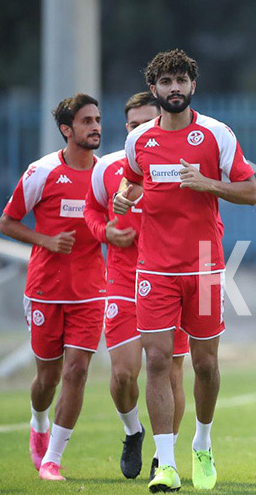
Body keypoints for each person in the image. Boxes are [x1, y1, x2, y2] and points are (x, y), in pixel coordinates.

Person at [113, 49, 256, 492]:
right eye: (166, 81)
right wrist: (124, 198)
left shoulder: (217, 134)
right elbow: (132, 180)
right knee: (157, 360)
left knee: (206, 365)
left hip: (204, 266)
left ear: (192, 86)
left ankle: (202, 443)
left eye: (181, 80)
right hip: (154, 267)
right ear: (154, 89)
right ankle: (167, 464)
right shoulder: (139, 140)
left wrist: (207, 184)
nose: (174, 88)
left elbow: (251, 192)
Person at [0, 94, 106, 482]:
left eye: (97, 119)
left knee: (77, 371)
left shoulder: (106, 173)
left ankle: (53, 459)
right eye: (86, 121)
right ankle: (38, 421)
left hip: (91, 290)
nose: (95, 126)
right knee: (48, 377)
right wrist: (45, 240)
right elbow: (7, 222)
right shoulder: (41, 172)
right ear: (66, 129)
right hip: (45, 289)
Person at [84, 92, 189, 480]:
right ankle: (133, 431)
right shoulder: (108, 168)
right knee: (125, 371)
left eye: (148, 121)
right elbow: (93, 210)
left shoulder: (179, 164)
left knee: (170, 371)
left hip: (170, 277)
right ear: (125, 129)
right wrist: (106, 231)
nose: (141, 129)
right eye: (133, 124)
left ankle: (167, 459)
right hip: (126, 281)